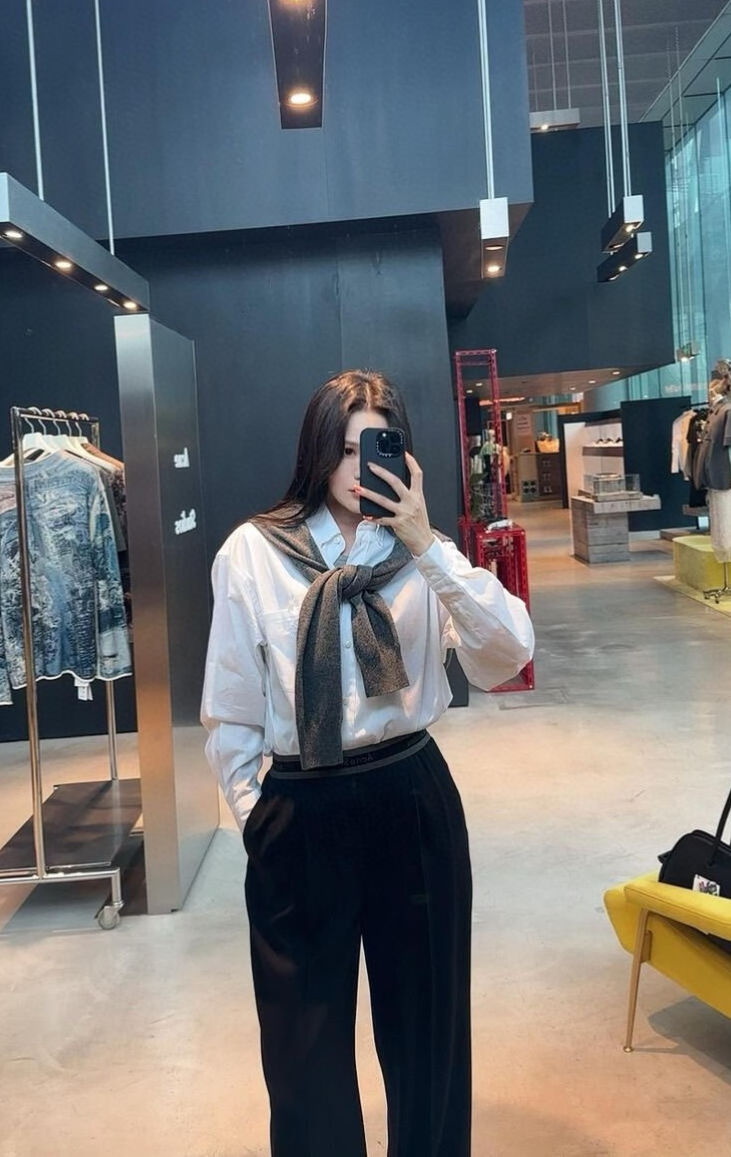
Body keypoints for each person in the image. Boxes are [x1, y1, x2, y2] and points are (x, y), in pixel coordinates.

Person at [201, 370, 535, 1157]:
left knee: (428, 1040)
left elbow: (507, 654)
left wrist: (424, 541)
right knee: (303, 1053)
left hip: (409, 796)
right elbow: (231, 706)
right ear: (317, 452)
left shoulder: (424, 556)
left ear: (403, 455)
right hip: (301, 808)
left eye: (377, 447)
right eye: (344, 449)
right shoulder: (252, 554)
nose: (359, 468)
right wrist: (261, 818)